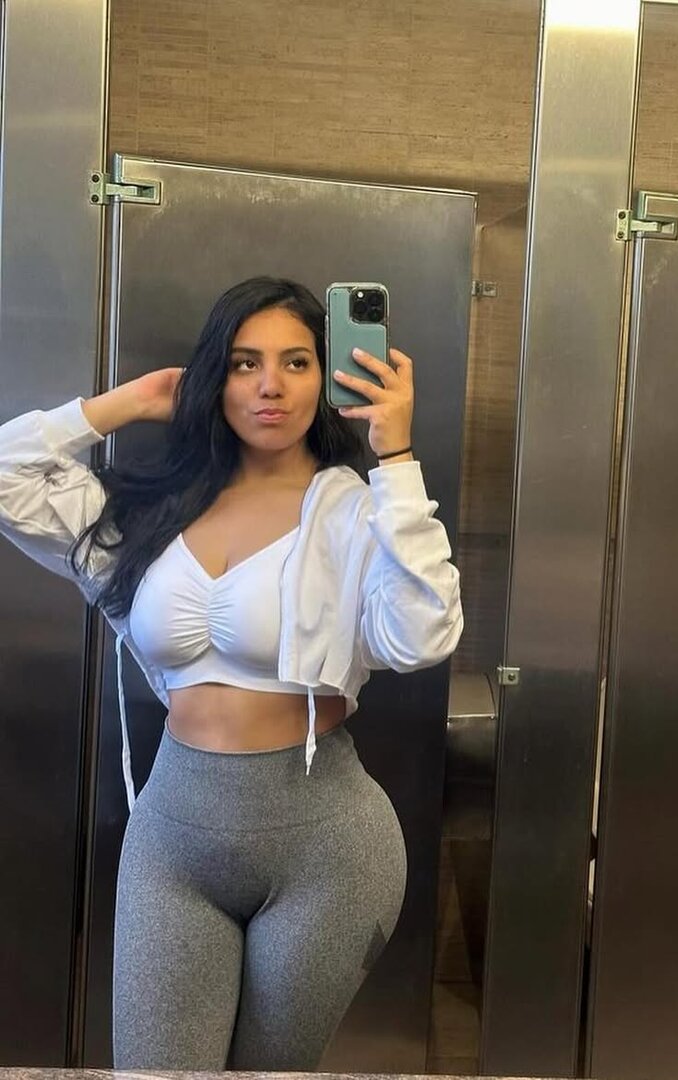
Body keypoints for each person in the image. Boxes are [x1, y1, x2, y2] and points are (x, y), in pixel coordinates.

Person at [0, 276, 463, 1070]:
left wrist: (396, 457)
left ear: (325, 379)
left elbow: (424, 636)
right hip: (173, 839)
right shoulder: (151, 512)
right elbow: (9, 476)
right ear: (215, 377)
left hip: (327, 849)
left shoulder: (356, 512)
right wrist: (125, 404)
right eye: (245, 363)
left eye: (296, 362)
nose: (270, 385)